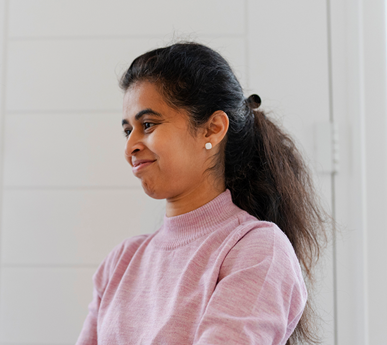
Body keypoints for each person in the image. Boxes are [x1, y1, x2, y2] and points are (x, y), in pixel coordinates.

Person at [76, 42, 327, 345]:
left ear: (212, 129)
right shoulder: (121, 262)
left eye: (148, 124)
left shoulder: (256, 250)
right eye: (128, 130)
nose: (130, 147)